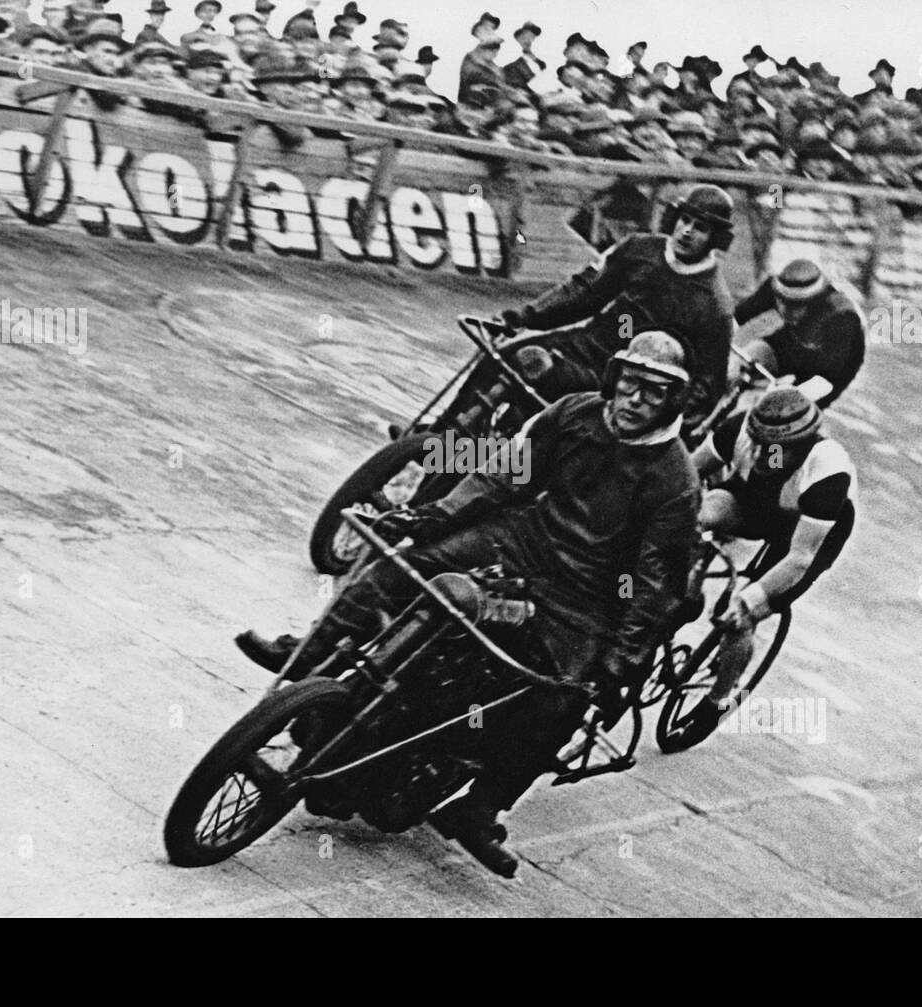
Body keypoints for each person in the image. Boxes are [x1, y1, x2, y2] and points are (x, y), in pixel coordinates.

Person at [237, 332, 700, 876]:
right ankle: (313, 655)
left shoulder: (676, 481)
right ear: (613, 379)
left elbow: (653, 582)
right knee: (397, 569)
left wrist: (619, 658)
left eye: (652, 392)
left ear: (672, 401)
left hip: (587, 597)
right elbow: (503, 475)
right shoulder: (574, 413)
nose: (634, 400)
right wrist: (433, 515)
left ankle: (480, 810)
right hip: (523, 539)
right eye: (629, 384)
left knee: (559, 704)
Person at [459, 184, 737, 439]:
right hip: (581, 347)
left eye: (699, 227)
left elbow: (706, 389)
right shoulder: (639, 248)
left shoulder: (715, 306)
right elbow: (584, 293)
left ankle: (509, 462)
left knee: (543, 401)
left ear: (715, 239)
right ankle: (442, 439)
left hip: (621, 385)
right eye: (684, 220)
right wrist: (520, 317)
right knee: (498, 361)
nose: (686, 231)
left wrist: (653, 424)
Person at [689, 387, 856, 705]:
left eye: (775, 450)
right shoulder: (739, 430)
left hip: (807, 535)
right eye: (757, 443)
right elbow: (686, 474)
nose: (761, 455)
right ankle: (686, 596)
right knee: (694, 518)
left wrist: (748, 601)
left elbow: (799, 558)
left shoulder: (828, 471)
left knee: (742, 617)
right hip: (756, 502)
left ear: (801, 446)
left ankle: (718, 698)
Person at [732, 259, 866, 408]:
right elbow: (736, 317)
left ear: (814, 301)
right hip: (793, 343)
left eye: (796, 304)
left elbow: (826, 380)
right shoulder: (774, 287)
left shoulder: (840, 317)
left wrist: (782, 395)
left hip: (831, 368)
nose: (786, 309)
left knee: (782, 411)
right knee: (741, 362)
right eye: (782, 300)